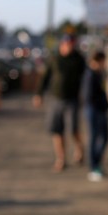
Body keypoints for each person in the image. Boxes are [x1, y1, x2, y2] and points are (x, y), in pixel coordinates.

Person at [33, 34, 86, 172]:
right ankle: (61, 158)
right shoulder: (55, 59)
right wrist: (39, 94)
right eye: (67, 44)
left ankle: (79, 148)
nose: (69, 46)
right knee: (57, 131)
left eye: (71, 44)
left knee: (73, 128)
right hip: (56, 98)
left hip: (72, 99)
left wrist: (84, 94)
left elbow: (86, 78)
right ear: (62, 44)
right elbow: (45, 76)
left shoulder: (78, 59)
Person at [81, 50, 108, 181]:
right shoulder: (90, 75)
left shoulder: (99, 73)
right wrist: (101, 104)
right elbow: (89, 96)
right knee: (94, 138)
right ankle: (93, 166)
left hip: (100, 110)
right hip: (94, 110)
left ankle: (97, 163)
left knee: (104, 137)